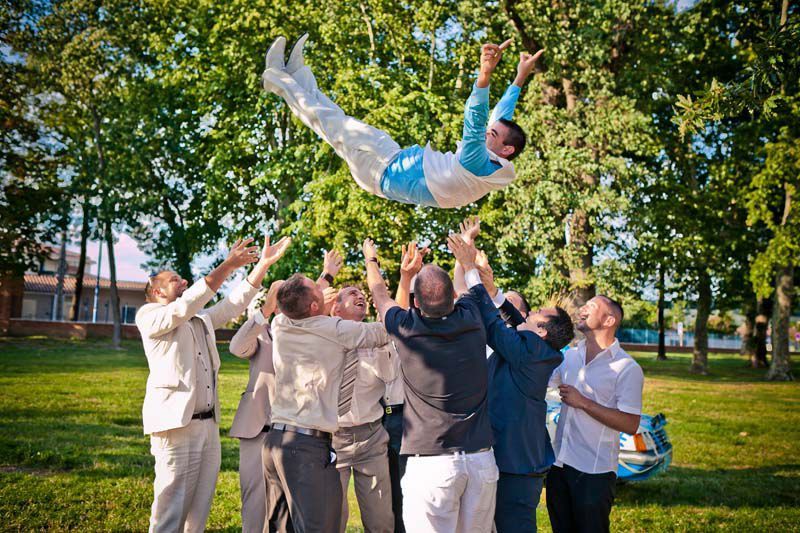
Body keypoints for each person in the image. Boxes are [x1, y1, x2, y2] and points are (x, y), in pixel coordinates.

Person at [261, 34, 543, 208]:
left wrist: (485, 73)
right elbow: (500, 118)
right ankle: (297, 77)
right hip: (393, 160)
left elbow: (476, 118)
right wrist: (520, 76)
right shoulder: (496, 164)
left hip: (382, 171)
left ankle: (276, 77)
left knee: (331, 122)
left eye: (491, 134)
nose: (486, 133)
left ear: (506, 149)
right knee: (334, 121)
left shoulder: (478, 162)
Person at [136, 234, 291, 533]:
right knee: (170, 507)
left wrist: (262, 265)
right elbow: (187, 304)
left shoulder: (200, 319)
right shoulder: (150, 316)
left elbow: (233, 305)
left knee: (199, 509)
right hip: (175, 427)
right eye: (174, 280)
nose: (182, 283)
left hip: (208, 426)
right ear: (157, 292)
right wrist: (228, 265)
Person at [362, 238, 496, 533]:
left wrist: (375, 261)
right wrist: (466, 259)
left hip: (433, 466)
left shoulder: (407, 328)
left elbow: (379, 295)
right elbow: (471, 288)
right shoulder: (474, 318)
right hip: (481, 460)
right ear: (454, 298)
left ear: (416, 302)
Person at [448, 233, 573, 532]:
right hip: (514, 460)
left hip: (517, 467)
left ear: (541, 331)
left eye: (537, 315)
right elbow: (516, 319)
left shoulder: (529, 352)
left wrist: (469, 270)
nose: (528, 315)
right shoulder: (536, 349)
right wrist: (492, 289)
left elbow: (494, 324)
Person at [264, 273, 391, 532]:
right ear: (313, 306)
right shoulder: (333, 329)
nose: (325, 289)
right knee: (319, 526)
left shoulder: (279, 324)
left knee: (281, 525)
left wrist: (318, 288)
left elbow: (290, 297)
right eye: (318, 289)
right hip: (306, 447)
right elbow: (384, 331)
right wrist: (382, 293)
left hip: (275, 442)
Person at [546, 296, 644, 533]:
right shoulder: (569, 356)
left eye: (591, 306)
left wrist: (584, 403)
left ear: (609, 320)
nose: (582, 309)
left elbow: (631, 424)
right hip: (558, 465)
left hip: (594, 473)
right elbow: (540, 383)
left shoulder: (627, 368)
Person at [331, 286, 396, 533]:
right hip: (332, 439)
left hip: (371, 438)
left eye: (362, 294)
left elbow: (389, 374)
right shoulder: (324, 338)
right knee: (332, 518)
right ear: (336, 307)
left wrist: (381, 339)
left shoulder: (376, 336)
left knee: (381, 521)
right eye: (351, 293)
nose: (360, 296)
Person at [228, 280, 291, 533]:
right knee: (254, 502)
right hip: (258, 428)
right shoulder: (260, 332)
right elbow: (236, 347)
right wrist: (264, 312)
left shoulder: (304, 332)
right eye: (280, 296)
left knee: (287, 505)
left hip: (293, 432)